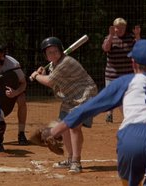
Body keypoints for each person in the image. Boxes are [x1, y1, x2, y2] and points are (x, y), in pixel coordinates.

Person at [43, 39, 146, 185]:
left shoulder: (127, 81)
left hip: (131, 137)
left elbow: (87, 108)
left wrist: (55, 130)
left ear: (133, 62)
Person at [30, 37, 98, 174]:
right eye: (49, 52)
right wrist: (43, 73)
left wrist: (36, 76)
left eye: (55, 51)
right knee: (65, 126)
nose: (53, 54)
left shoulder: (66, 62)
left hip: (85, 96)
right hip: (71, 98)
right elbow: (54, 79)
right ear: (45, 55)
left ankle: (76, 162)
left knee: (74, 127)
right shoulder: (56, 64)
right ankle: (70, 158)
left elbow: (50, 82)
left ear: (61, 51)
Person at [102, 17, 141, 123]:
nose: (121, 30)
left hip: (127, 74)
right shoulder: (110, 38)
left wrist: (137, 35)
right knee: (110, 96)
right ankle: (109, 113)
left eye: (123, 28)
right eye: (118, 28)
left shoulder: (130, 38)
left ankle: (127, 117)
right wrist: (110, 36)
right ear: (114, 28)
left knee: (126, 96)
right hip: (112, 74)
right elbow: (105, 48)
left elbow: (139, 48)